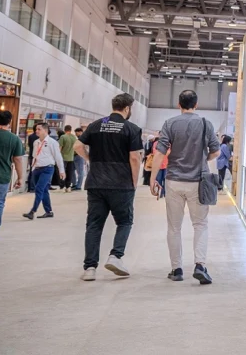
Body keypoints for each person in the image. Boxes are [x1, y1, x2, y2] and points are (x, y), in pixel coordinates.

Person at [151, 90, 221, 285]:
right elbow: (215, 151)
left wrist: (153, 178)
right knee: (200, 224)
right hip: (198, 181)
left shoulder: (170, 123)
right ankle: (200, 265)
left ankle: (177, 269)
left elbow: (160, 153)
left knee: (174, 227)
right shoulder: (206, 124)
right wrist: (203, 160)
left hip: (173, 180)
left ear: (179, 105)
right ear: (196, 104)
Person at [74, 94, 143, 281]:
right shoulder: (131, 128)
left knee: (94, 225)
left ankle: (89, 268)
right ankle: (116, 256)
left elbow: (77, 146)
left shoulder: (96, 125)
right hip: (121, 184)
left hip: (96, 183)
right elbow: (135, 158)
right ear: (127, 109)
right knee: (124, 221)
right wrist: (134, 182)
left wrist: (91, 160)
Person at [23, 123, 65, 220]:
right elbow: (34, 156)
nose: (36, 131)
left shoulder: (52, 142)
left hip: (47, 169)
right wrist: (32, 168)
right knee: (44, 190)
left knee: (39, 189)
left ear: (45, 130)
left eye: (39, 129)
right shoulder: (36, 142)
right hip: (37, 169)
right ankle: (48, 211)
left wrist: (61, 171)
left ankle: (32, 211)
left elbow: (58, 157)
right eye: (36, 129)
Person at [0, 110, 26, 240]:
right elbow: (18, 159)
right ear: (10, 122)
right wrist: (20, 177)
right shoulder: (14, 139)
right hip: (2, 177)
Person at [58, 125, 77, 193]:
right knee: (70, 173)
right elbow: (76, 147)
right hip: (71, 158)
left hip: (63, 157)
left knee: (62, 172)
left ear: (64, 129)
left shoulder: (63, 137)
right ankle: (68, 186)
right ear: (71, 129)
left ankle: (61, 185)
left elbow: (60, 148)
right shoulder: (74, 137)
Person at [25, 126, 37, 192]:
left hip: (31, 155)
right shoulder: (39, 137)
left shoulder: (30, 136)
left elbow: (29, 145)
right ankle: (33, 187)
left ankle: (30, 187)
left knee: (31, 171)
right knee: (35, 172)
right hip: (36, 156)